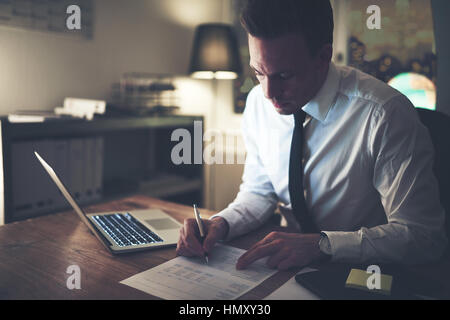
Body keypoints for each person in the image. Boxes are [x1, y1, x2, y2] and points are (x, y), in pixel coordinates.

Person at [176, 0, 447, 270]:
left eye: (284, 75)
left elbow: (424, 236)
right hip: (289, 268)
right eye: (259, 72)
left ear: (322, 57)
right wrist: (222, 224)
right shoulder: (258, 102)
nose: (269, 92)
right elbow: (260, 192)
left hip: (368, 275)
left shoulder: (384, 114)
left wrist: (323, 245)